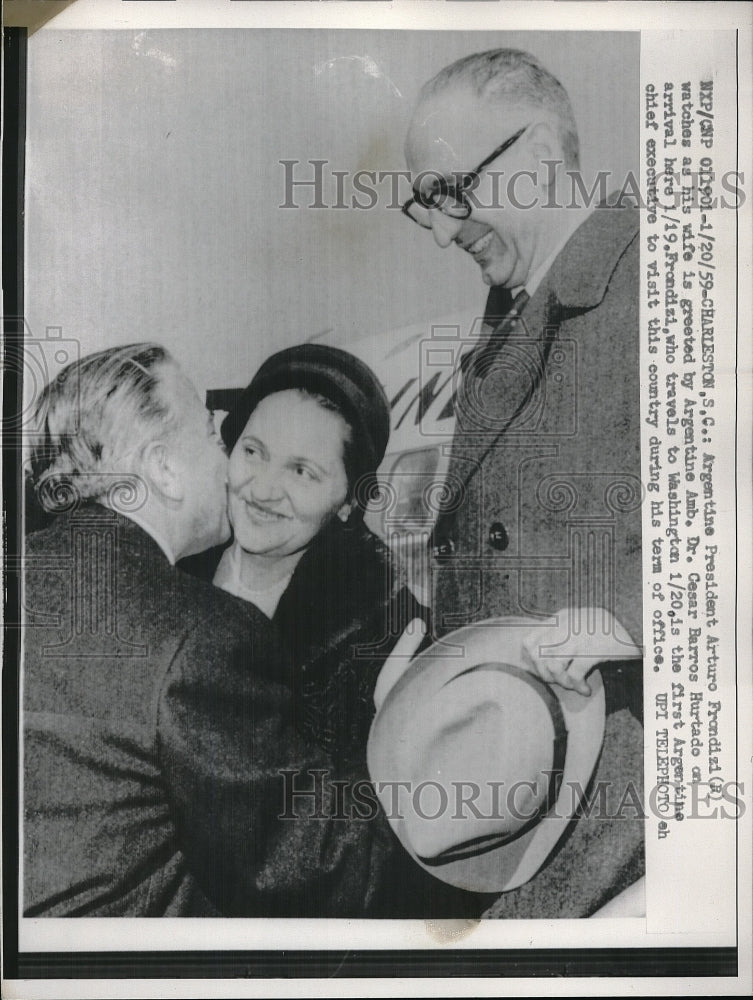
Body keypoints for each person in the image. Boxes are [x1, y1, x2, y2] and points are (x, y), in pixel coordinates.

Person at [21, 342, 403, 917]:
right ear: (163, 467)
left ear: (349, 501)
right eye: (220, 437)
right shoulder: (197, 630)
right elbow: (323, 861)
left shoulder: (25, 571)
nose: (251, 481)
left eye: (302, 470)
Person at [401, 49, 644, 917]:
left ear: (537, 158)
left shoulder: (664, 283)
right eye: (421, 205)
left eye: (449, 193)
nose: (438, 230)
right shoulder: (516, 315)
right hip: (524, 812)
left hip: (623, 830)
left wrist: (637, 619)